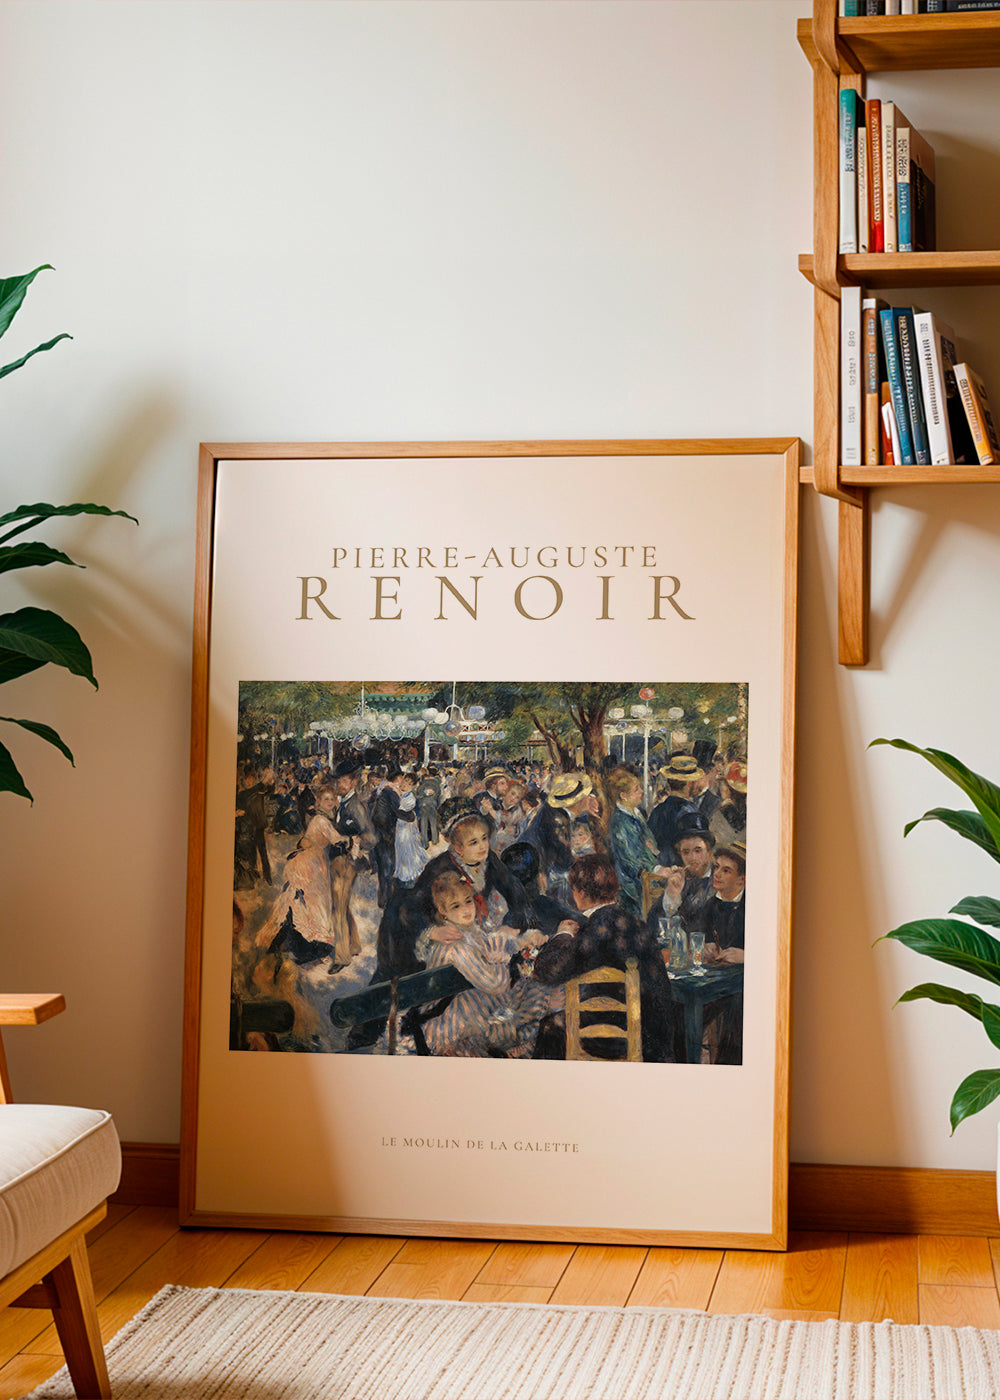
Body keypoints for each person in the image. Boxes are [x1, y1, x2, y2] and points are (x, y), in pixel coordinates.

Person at [530, 854, 678, 1062]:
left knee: (549, 1027)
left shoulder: (597, 928)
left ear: (580, 894)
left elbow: (548, 970)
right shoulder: (635, 923)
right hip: (654, 1039)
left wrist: (563, 934)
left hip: (620, 1037)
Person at [413, 870, 546, 1057]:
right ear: (442, 911)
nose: (466, 910)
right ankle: (514, 1049)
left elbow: (490, 945)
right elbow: (496, 984)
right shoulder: (454, 945)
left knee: (535, 989)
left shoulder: (469, 931)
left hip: (472, 1006)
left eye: (468, 901)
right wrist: (498, 960)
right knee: (523, 1006)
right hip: (453, 1022)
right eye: (456, 906)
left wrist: (522, 941)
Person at [255, 784, 342, 968]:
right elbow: (336, 839)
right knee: (312, 907)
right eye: (325, 799)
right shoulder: (321, 820)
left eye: (331, 799)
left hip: (312, 863)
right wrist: (353, 841)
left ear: (335, 801)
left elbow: (309, 840)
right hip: (309, 866)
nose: (329, 802)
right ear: (319, 801)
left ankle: (300, 947)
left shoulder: (321, 818)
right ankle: (310, 949)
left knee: (303, 905)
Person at [521, 773, 599, 903]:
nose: (589, 798)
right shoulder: (556, 821)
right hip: (533, 873)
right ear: (576, 802)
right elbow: (565, 861)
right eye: (586, 796)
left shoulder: (561, 811)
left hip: (543, 866)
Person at [328, 757, 377, 967]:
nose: (340, 785)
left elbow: (371, 838)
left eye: (344, 781)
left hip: (347, 863)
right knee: (342, 905)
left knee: (338, 909)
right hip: (336, 861)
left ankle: (342, 957)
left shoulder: (356, 806)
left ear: (355, 782)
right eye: (338, 781)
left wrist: (353, 841)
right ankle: (354, 945)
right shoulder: (342, 803)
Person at [606, 766, 668, 919]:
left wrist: (655, 852)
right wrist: (655, 869)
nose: (641, 792)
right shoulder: (619, 821)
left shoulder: (637, 814)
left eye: (640, 787)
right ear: (623, 796)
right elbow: (628, 859)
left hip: (648, 877)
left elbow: (650, 841)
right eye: (636, 790)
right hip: (632, 886)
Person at [647, 754, 709, 866]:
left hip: (661, 870)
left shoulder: (657, 811)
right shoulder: (691, 813)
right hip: (685, 871)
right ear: (689, 783)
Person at [372, 767, 417, 908]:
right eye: (402, 778)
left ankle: (385, 899)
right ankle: (387, 901)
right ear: (397, 779)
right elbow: (398, 811)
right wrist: (411, 816)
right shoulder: (391, 791)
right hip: (386, 835)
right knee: (388, 869)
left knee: (388, 868)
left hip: (383, 834)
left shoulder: (385, 789)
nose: (403, 782)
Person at [660, 830, 717, 934]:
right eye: (686, 852)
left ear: (709, 854)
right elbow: (654, 921)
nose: (692, 858)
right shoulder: (679, 880)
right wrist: (672, 897)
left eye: (698, 851)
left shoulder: (719, 880)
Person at [394, 772, 431, 887]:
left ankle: (407, 876)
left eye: (410, 784)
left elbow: (399, 811)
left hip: (405, 828)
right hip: (397, 827)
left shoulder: (410, 799)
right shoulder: (396, 791)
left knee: (406, 850)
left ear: (413, 786)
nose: (406, 784)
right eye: (405, 781)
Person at [416, 765, 442, 848]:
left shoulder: (423, 784)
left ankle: (425, 843)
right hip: (433, 804)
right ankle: (435, 841)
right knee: (433, 823)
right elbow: (438, 794)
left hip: (424, 805)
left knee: (424, 824)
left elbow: (418, 793)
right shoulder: (436, 784)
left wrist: (423, 794)